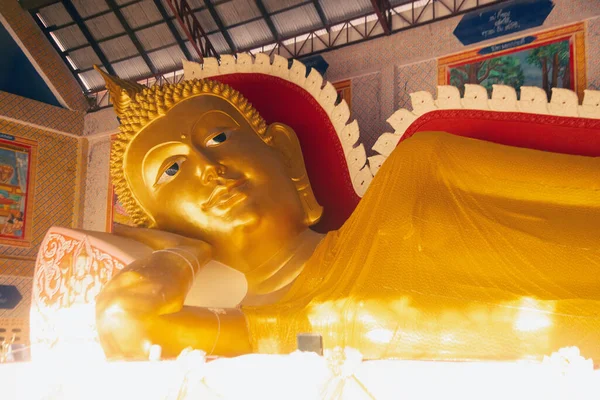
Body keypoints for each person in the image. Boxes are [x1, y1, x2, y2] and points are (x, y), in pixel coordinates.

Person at [94, 68, 600, 362]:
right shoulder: (262, 326)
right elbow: (127, 322)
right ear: (158, 223)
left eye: (220, 137)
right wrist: (182, 252)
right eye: (172, 169)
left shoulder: (421, 168)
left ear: (285, 155)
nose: (208, 167)